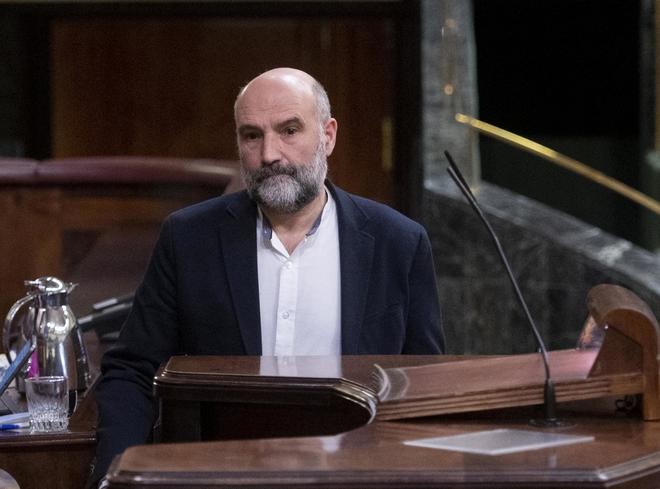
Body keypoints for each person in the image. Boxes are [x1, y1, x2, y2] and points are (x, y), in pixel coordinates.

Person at [89, 67, 445, 485]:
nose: (270, 154)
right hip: (222, 476)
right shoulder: (189, 238)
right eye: (251, 135)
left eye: (289, 130)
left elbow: (426, 384)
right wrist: (111, 476)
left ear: (328, 136)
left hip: (355, 474)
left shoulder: (398, 242)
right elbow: (133, 370)